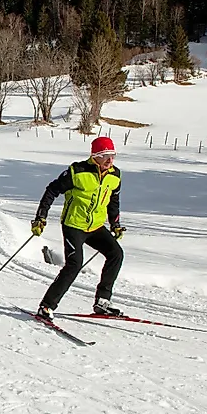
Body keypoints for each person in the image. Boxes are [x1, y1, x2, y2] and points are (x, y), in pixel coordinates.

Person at [30, 136, 126, 319]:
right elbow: (51, 191)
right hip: (74, 225)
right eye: (105, 155)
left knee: (116, 254)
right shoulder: (77, 171)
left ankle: (102, 301)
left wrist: (115, 224)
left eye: (112, 155)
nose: (110, 160)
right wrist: (40, 217)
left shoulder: (115, 175)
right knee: (74, 264)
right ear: (95, 156)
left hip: (96, 226)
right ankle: (46, 306)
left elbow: (113, 201)